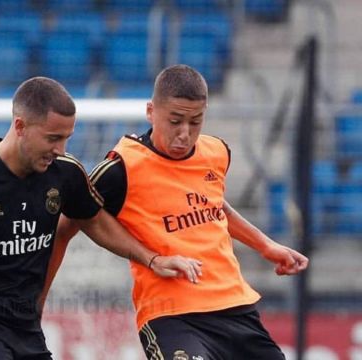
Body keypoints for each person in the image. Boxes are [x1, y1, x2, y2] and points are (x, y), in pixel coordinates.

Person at [0, 76, 203, 359]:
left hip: (24, 322)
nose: (61, 149)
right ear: (20, 126)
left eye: (67, 138)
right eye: (53, 138)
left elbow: (93, 220)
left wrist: (151, 258)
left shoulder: (65, 173)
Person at [60, 64, 309, 359]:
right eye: (175, 121)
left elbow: (213, 205)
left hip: (235, 307)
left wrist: (265, 245)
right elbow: (77, 218)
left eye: (195, 122)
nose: (184, 134)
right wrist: (151, 259)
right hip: (172, 316)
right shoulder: (122, 167)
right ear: (151, 111)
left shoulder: (217, 152)